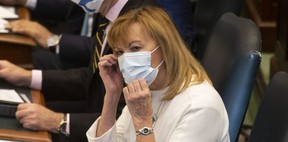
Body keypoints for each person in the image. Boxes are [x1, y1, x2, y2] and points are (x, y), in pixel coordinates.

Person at [0, 0, 158, 142]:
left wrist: (60, 121)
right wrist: (28, 77)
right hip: (95, 137)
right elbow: (92, 77)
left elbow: (128, 117)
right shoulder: (109, 15)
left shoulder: (139, 20)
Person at [86, 5, 235, 142]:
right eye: (119, 52)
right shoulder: (146, 88)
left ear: (164, 47)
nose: (126, 58)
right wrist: (111, 96)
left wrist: (142, 121)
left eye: (135, 48)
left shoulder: (201, 105)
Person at [2, 0, 196, 70]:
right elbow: (72, 8)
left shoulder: (159, 6)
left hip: (120, 79)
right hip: (95, 71)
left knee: (30, 57)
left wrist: (54, 41)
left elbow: (129, 50)